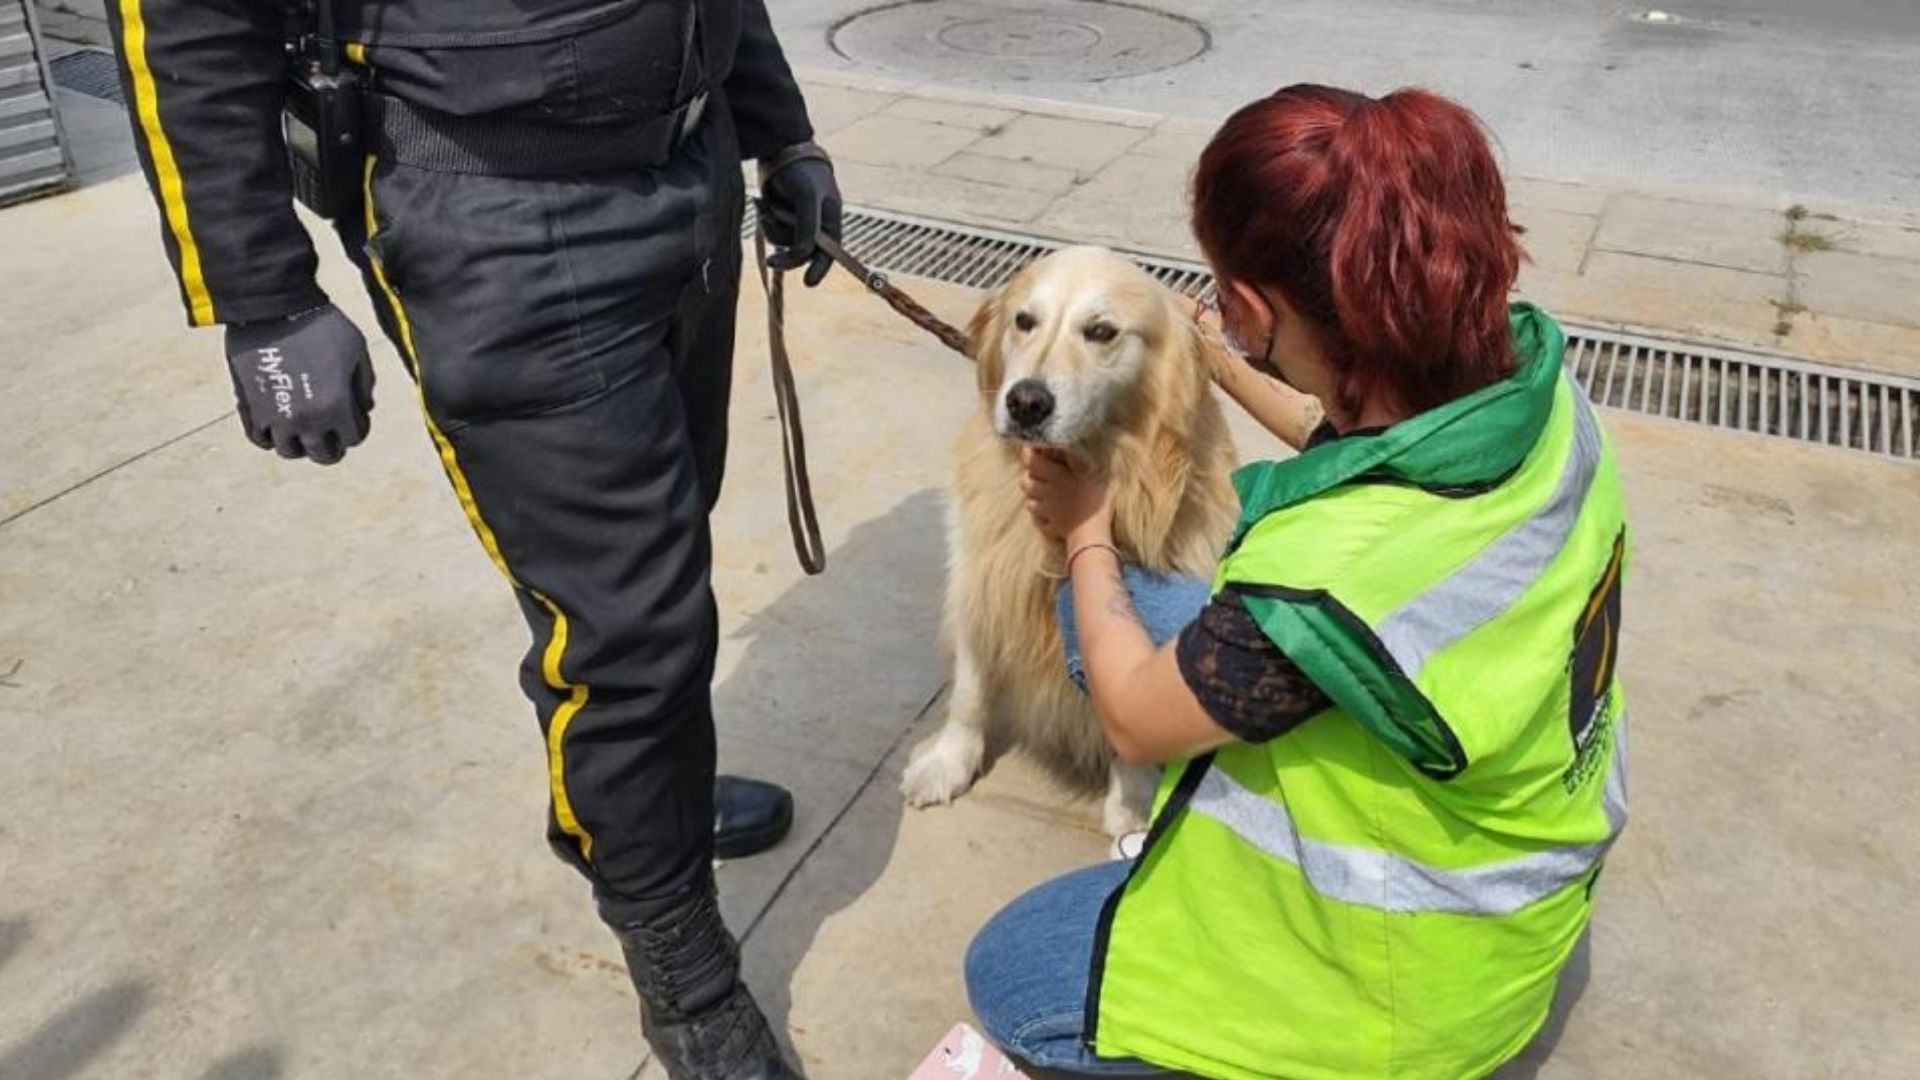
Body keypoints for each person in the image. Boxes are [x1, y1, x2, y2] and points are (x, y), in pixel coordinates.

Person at [105, 1, 841, 1076]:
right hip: (494, 218)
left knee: (668, 558)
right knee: (625, 629)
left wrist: (783, 132)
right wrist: (260, 297)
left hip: (690, 174)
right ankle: (681, 964)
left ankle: (655, 811)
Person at [965, 84, 1631, 1080]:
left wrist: (1088, 531)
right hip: (1526, 889)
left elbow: (1138, 725)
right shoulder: (1540, 396)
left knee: (1010, 975)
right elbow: (1357, 435)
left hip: (1411, 993)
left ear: (1251, 306)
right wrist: (1227, 371)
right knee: (1146, 609)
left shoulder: (1323, 584)